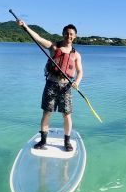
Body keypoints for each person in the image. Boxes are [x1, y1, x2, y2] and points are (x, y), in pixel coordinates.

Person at [16, 19, 83, 152]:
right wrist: (26, 27)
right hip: (51, 84)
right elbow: (39, 38)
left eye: (71, 34)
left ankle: (67, 141)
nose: (69, 36)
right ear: (63, 34)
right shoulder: (54, 47)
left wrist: (77, 82)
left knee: (67, 115)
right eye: (67, 33)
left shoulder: (76, 55)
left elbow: (80, 71)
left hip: (66, 87)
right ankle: (43, 140)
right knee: (47, 113)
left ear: (74, 36)